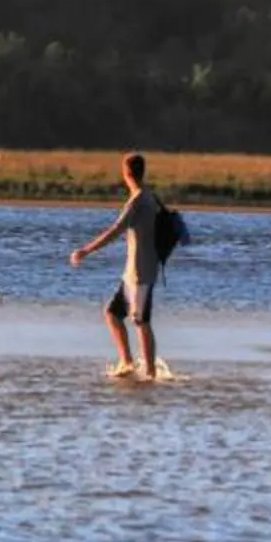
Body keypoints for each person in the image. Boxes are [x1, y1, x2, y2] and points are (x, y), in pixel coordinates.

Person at [66, 150, 167, 379]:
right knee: (113, 313)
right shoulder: (150, 197)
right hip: (134, 273)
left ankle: (150, 373)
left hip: (141, 273)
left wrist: (86, 250)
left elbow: (115, 231)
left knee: (141, 321)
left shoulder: (139, 201)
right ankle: (128, 363)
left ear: (126, 173)